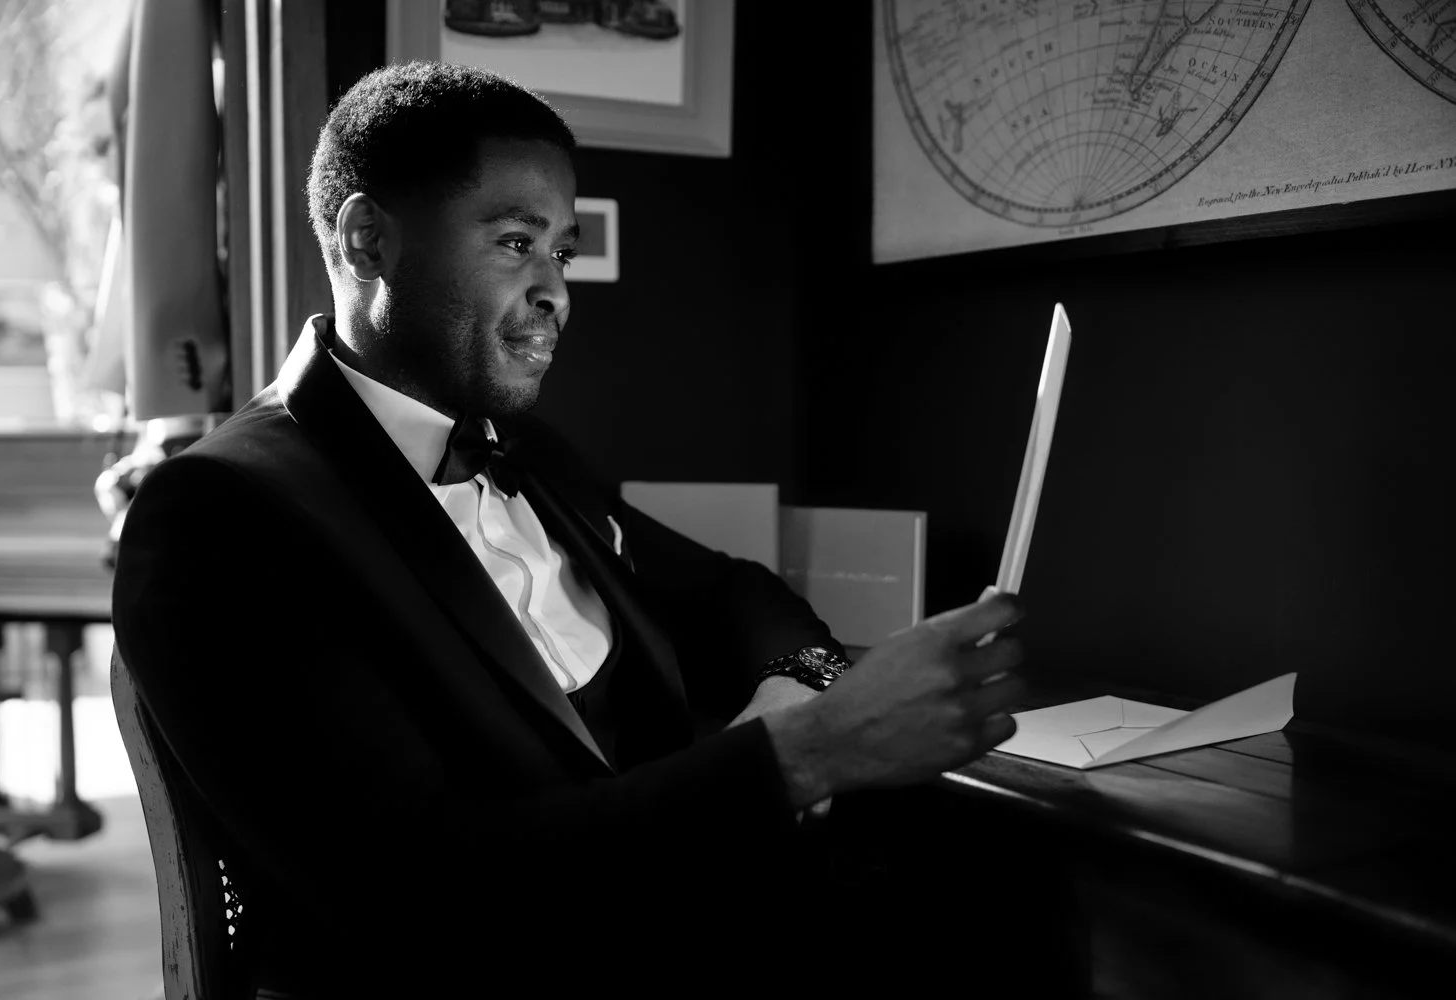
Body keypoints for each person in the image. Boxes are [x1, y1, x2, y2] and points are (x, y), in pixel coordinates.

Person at [111, 61, 1077, 996]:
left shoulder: (527, 452)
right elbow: (417, 895)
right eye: (515, 243)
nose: (556, 292)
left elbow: (731, 593)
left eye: (562, 252)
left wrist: (814, 686)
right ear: (369, 243)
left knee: (1021, 889)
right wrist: (810, 752)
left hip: (705, 921)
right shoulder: (217, 518)